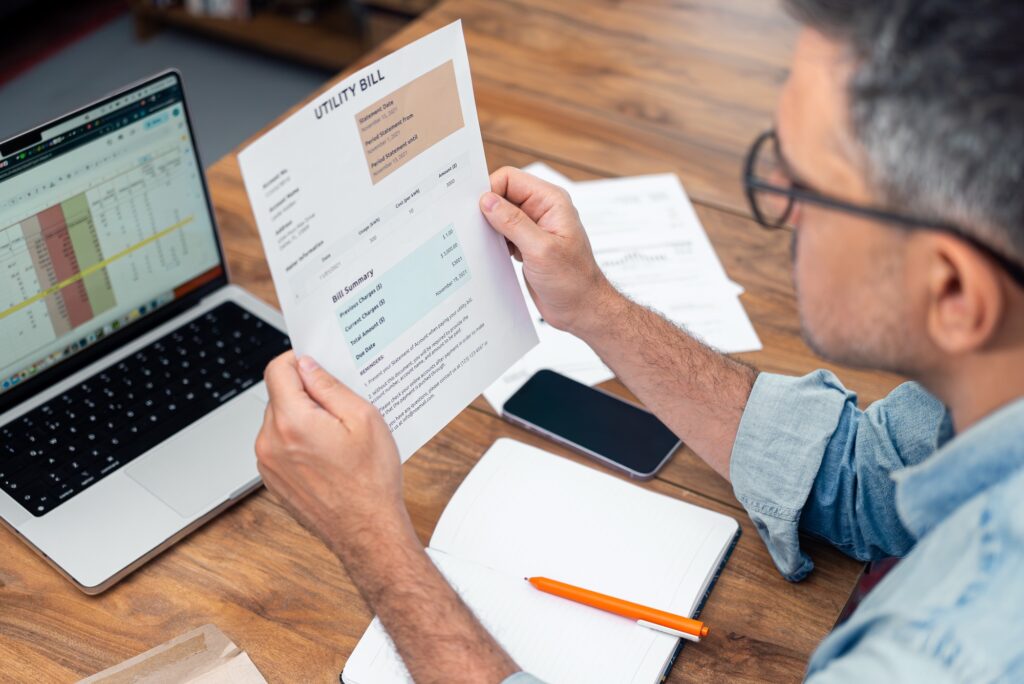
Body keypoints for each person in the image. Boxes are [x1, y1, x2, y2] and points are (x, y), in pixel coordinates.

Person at [253, 0, 1024, 680]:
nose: (785, 210)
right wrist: (591, 305)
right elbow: (868, 478)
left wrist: (373, 539)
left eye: (808, 185)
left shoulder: (948, 652)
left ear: (954, 291)